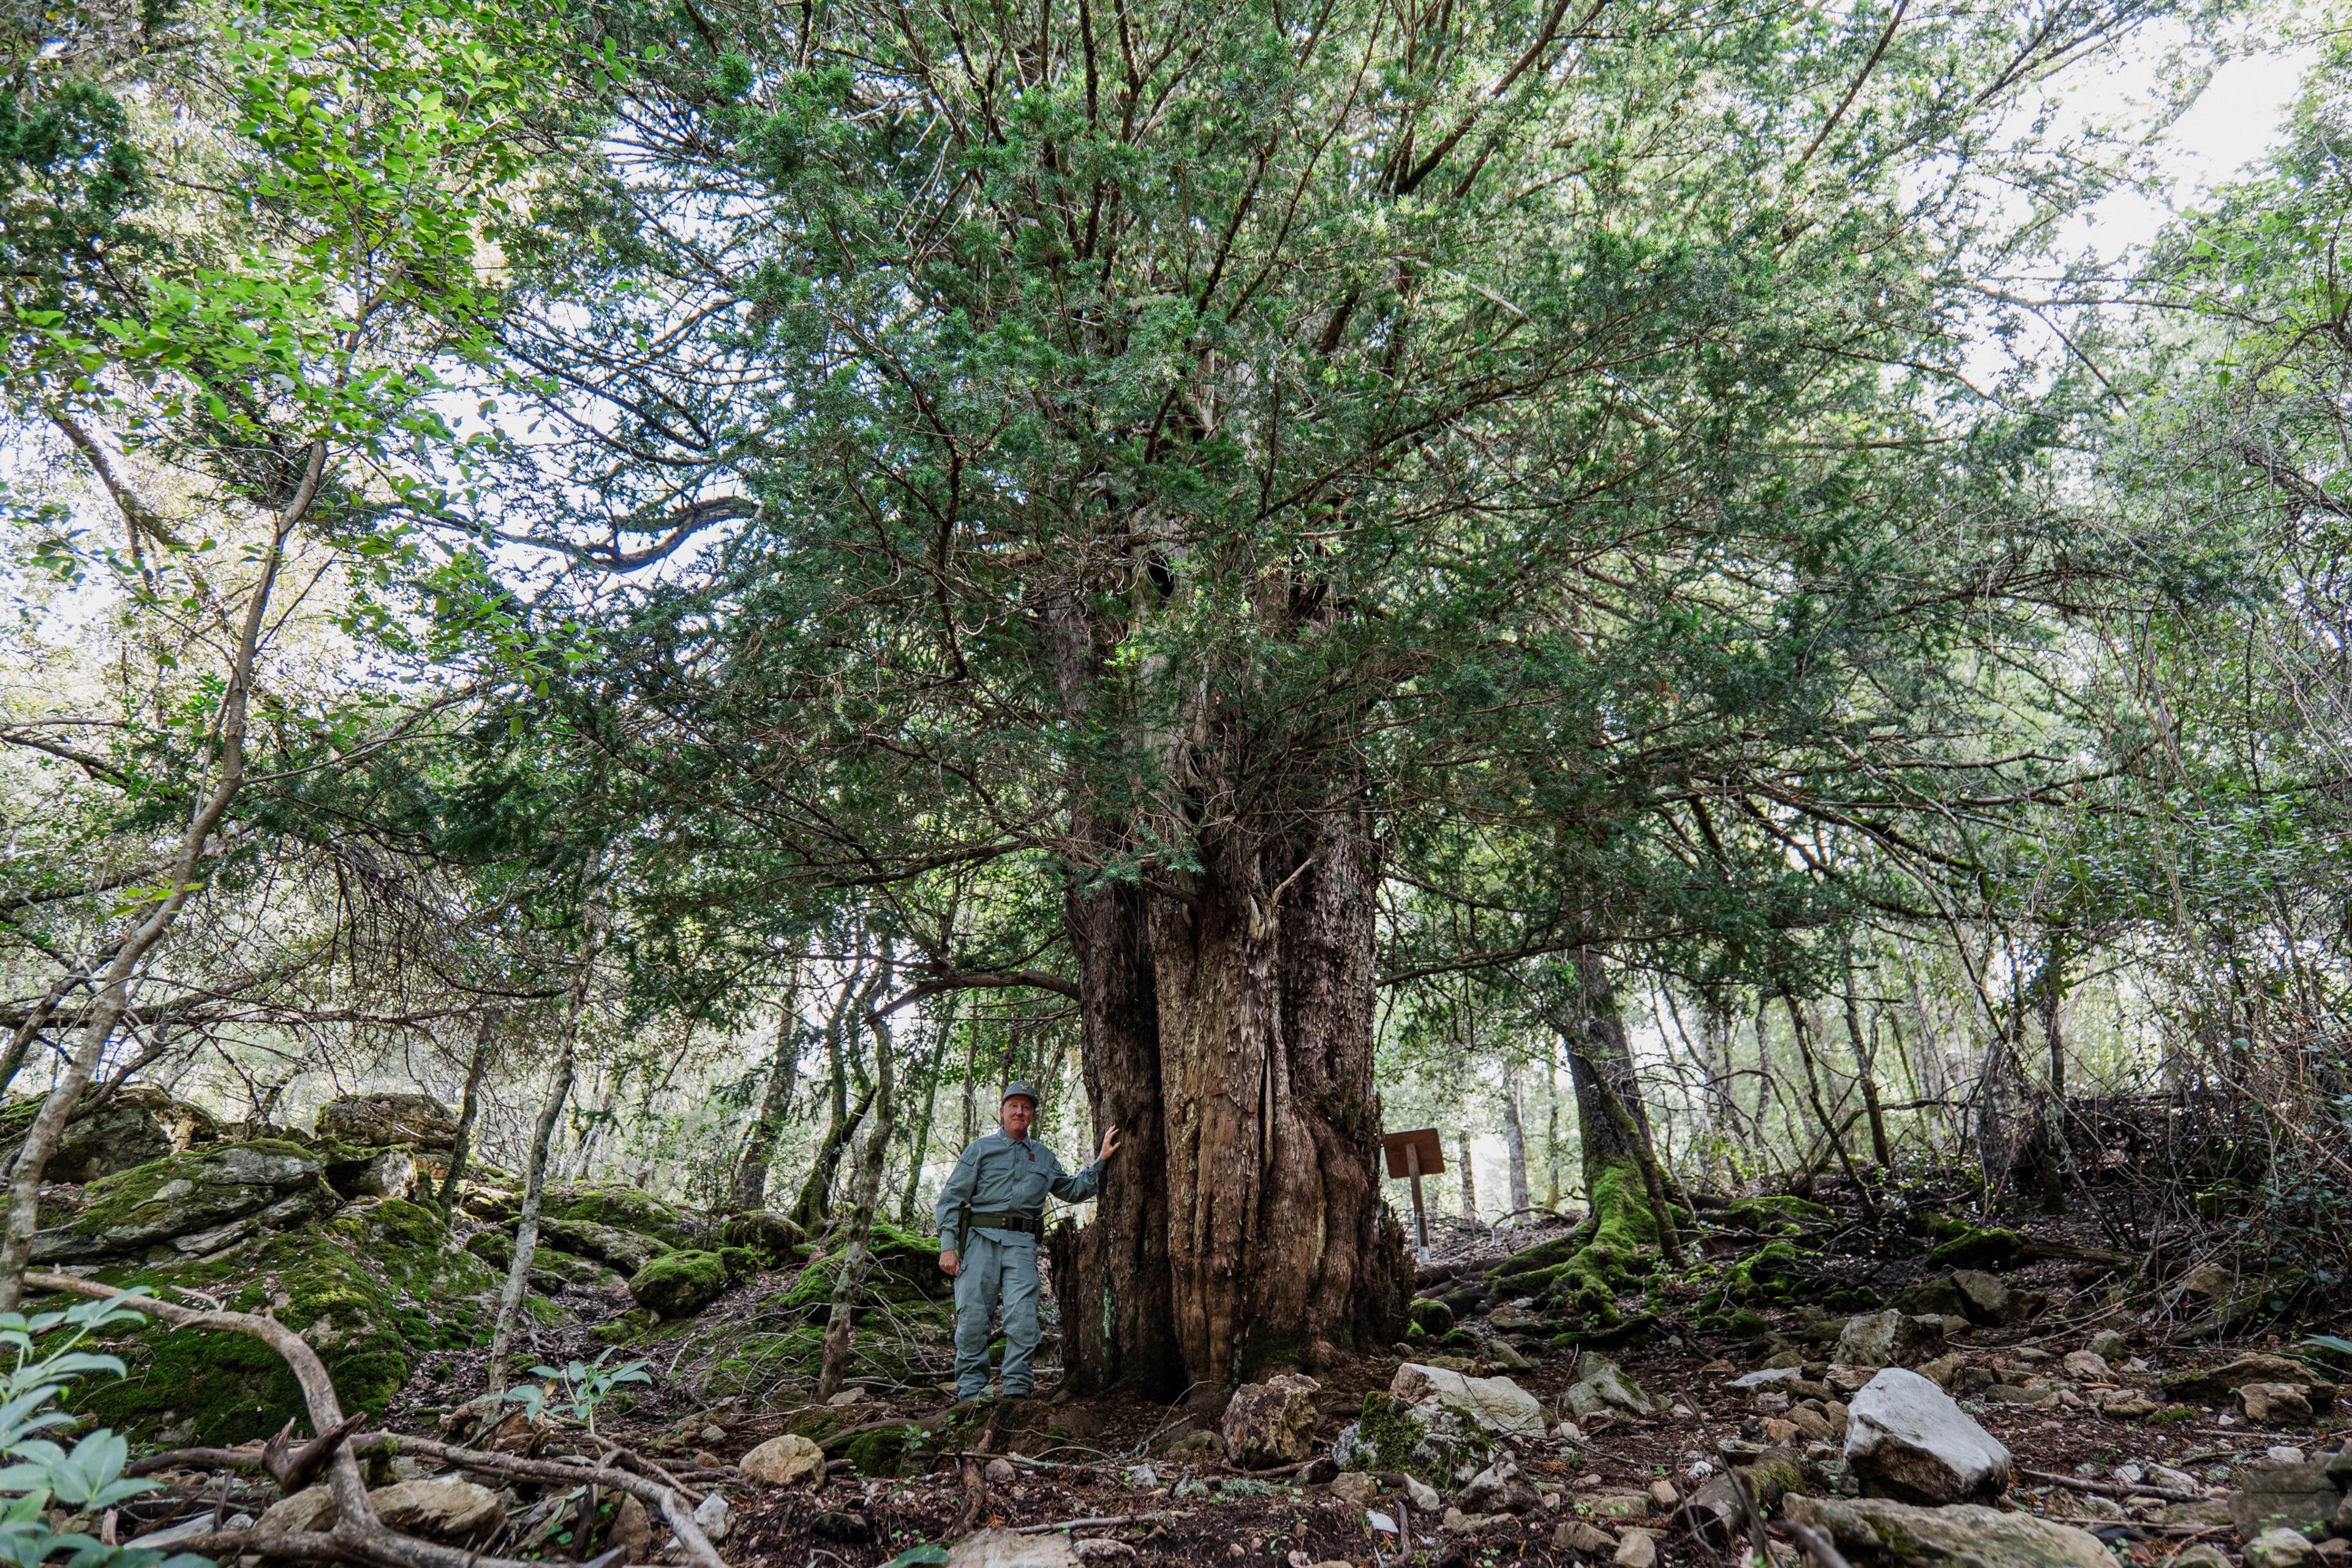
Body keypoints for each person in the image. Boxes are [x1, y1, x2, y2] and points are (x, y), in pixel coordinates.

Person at [935, 1081, 1120, 1401]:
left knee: (1022, 1319)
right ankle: (971, 1396)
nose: (1020, 1112)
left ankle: (1017, 1392)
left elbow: (1073, 1190)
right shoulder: (980, 1150)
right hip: (980, 1241)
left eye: (1026, 1107)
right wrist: (948, 1246)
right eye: (1014, 1106)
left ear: (1033, 1114)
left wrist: (1101, 1160)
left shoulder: (1044, 1157)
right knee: (973, 1319)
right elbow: (951, 1199)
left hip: (1021, 1244)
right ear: (1003, 1111)